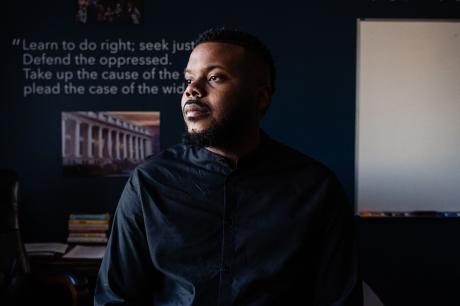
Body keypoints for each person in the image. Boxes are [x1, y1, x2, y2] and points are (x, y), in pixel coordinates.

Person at [94, 27, 363, 306]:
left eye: (215, 77)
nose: (192, 90)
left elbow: (340, 300)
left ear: (261, 97)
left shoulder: (316, 189)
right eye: (188, 79)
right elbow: (115, 298)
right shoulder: (149, 182)